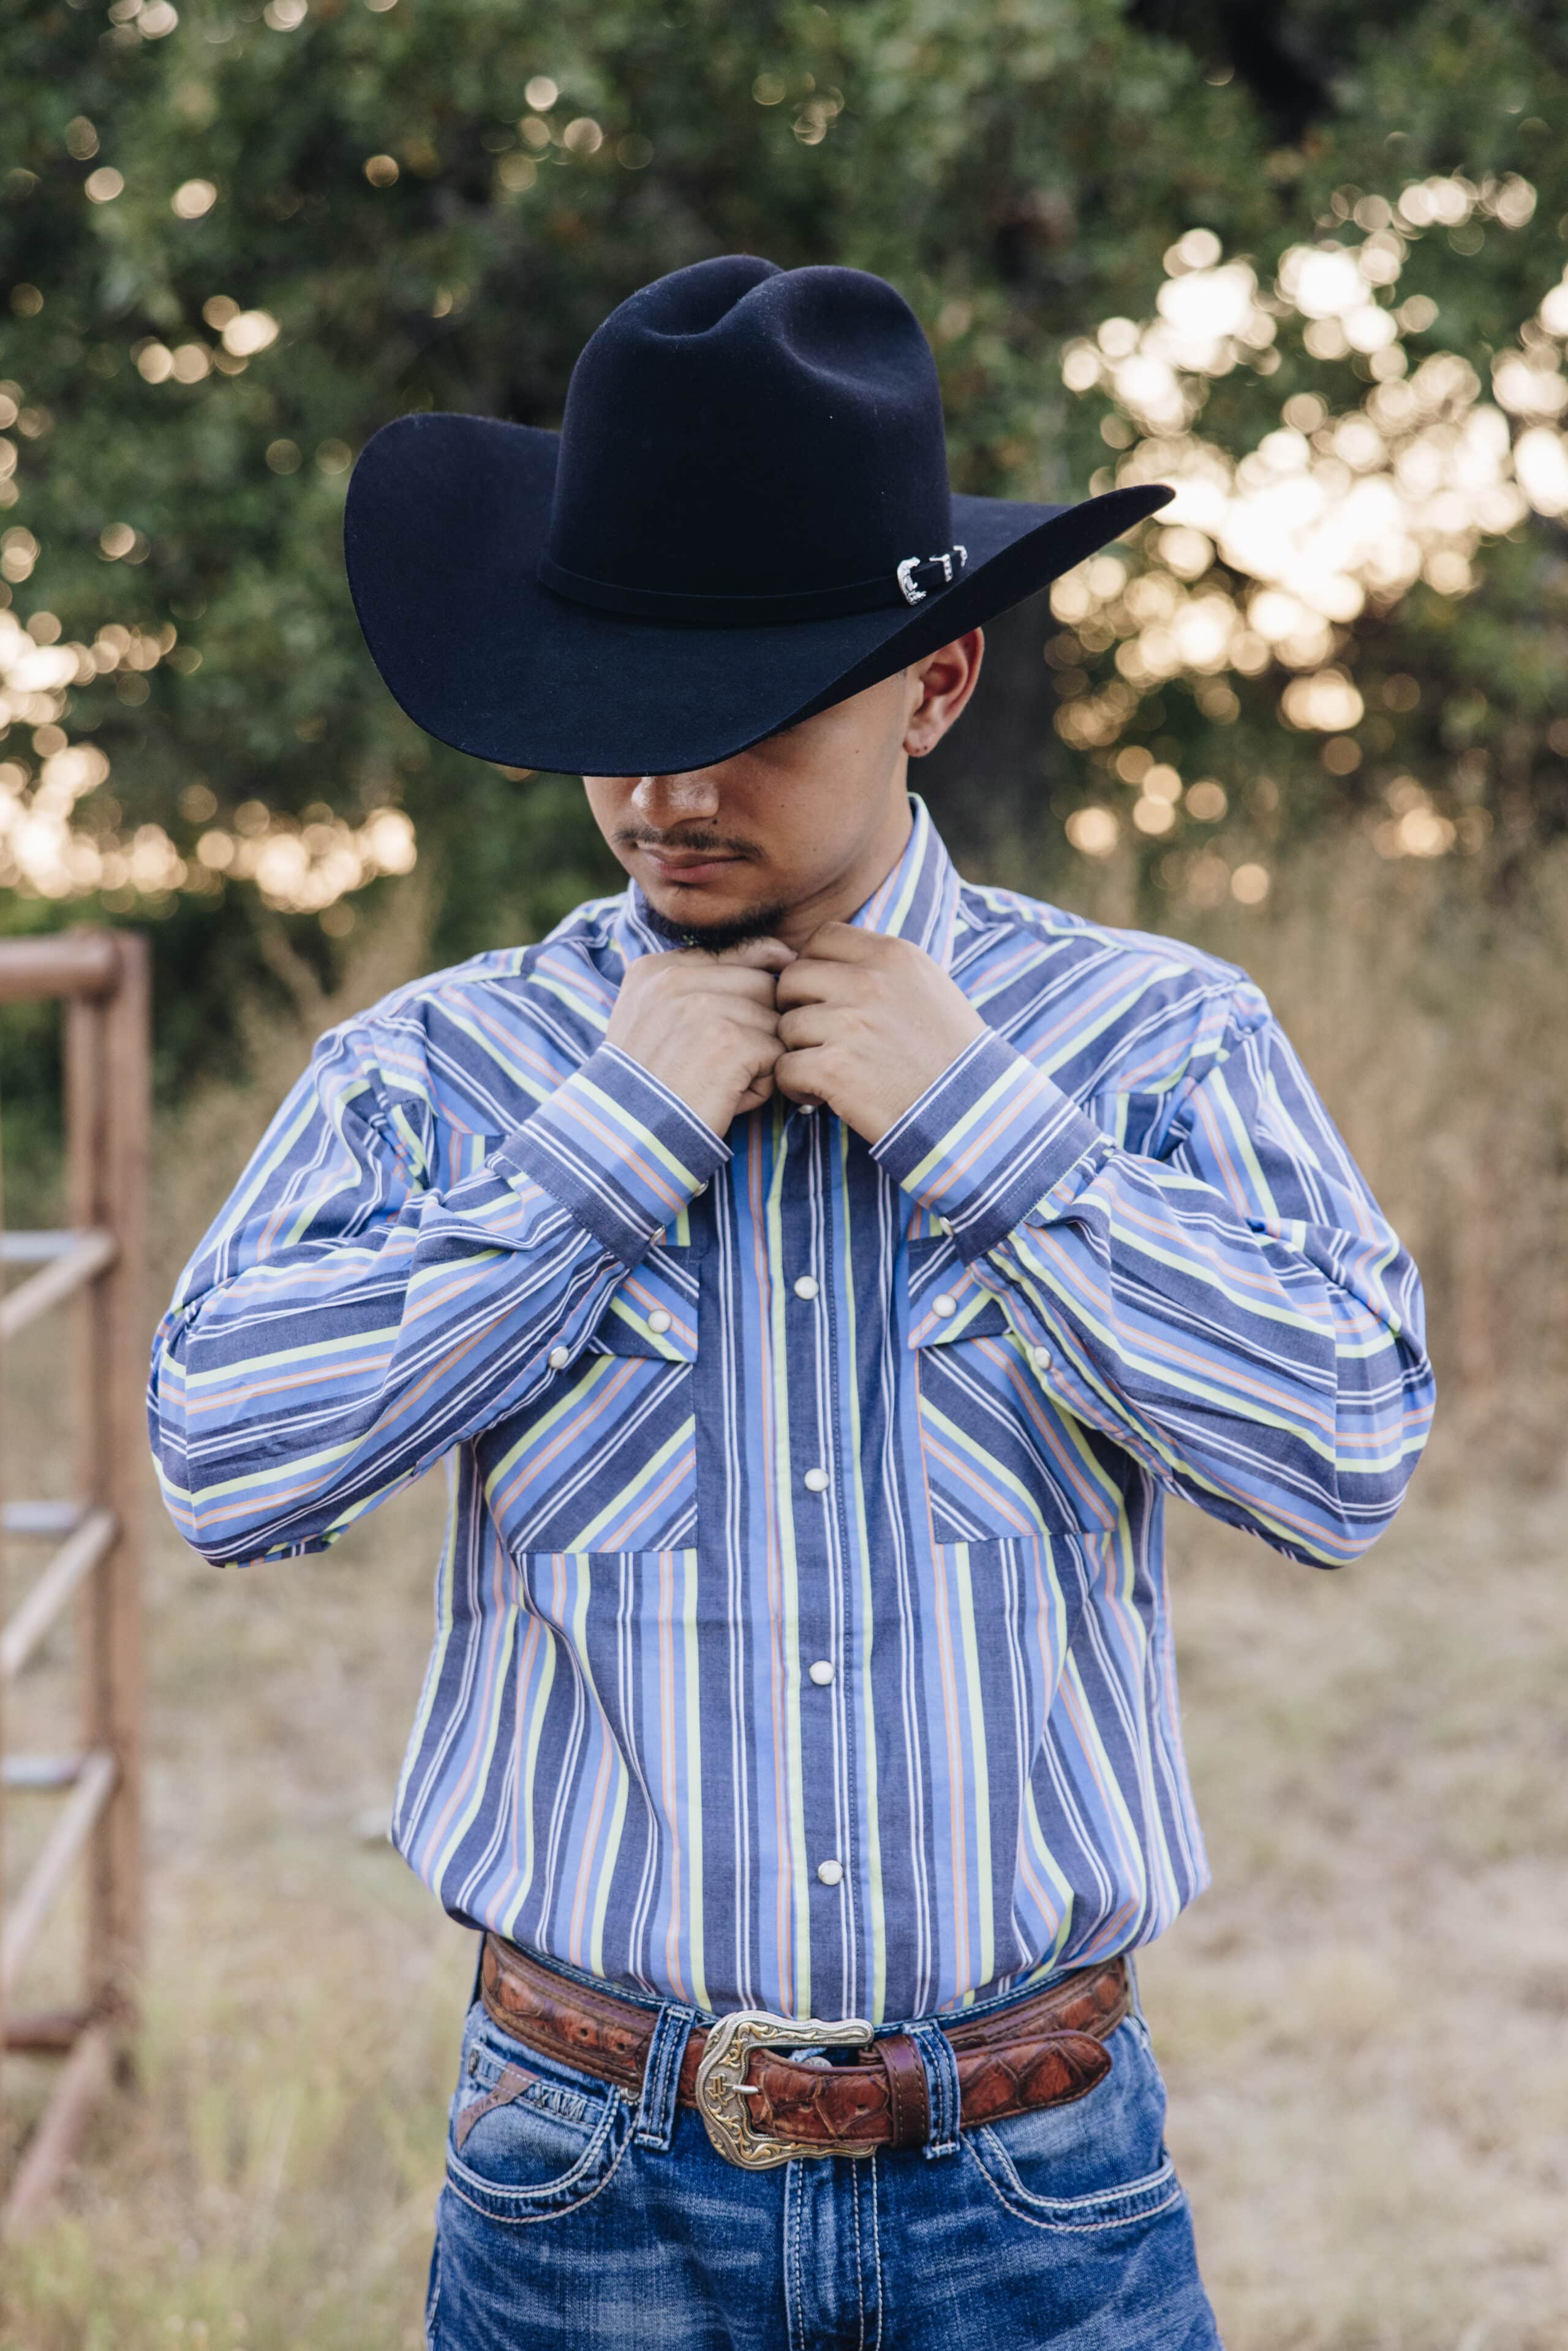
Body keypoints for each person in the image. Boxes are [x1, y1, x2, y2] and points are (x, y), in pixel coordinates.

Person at [148, 257, 1434, 2350]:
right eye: (612, 724)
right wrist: (595, 1155)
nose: (663, 794)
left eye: (740, 724)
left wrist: (993, 1135)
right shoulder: (435, 1071)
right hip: (585, 2181)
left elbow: (1350, 1458)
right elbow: (222, 1462)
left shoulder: (1157, 1045)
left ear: (936, 685)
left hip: (1041, 2183)